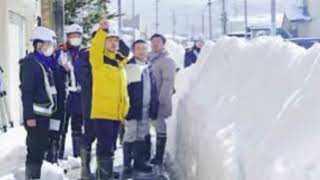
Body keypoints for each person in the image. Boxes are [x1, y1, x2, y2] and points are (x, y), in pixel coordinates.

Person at [89, 18, 130, 179]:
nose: (113, 43)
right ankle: (104, 177)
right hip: (103, 112)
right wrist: (102, 31)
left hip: (116, 113)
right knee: (105, 147)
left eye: (115, 40)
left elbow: (126, 51)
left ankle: (103, 175)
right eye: (110, 40)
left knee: (110, 147)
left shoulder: (119, 63)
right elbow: (95, 48)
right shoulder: (98, 61)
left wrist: (117, 34)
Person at [20, 26, 57, 179]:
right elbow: (27, 92)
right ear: (39, 45)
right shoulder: (30, 64)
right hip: (35, 117)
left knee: (40, 149)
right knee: (34, 152)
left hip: (44, 115)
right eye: (49, 44)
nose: (51, 48)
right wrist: (29, 117)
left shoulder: (43, 63)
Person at [122, 40, 159, 177]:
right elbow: (124, 88)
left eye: (144, 48)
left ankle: (139, 162)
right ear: (133, 50)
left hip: (146, 107)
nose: (141, 51)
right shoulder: (128, 66)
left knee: (142, 135)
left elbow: (153, 88)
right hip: (132, 107)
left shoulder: (149, 66)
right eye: (138, 48)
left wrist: (154, 107)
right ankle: (127, 164)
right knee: (130, 134)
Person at [148, 33, 176, 166]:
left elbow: (168, 82)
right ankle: (145, 155)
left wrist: (161, 101)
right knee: (145, 128)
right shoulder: (148, 57)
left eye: (158, 41)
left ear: (163, 44)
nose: (155, 43)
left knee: (160, 127)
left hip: (158, 100)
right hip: (146, 100)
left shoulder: (167, 60)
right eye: (153, 41)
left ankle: (159, 157)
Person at [58, 24, 85, 159]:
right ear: (68, 37)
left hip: (79, 96)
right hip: (64, 96)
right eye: (72, 36)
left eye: (78, 36)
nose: (75, 38)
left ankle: (78, 156)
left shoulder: (85, 53)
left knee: (77, 128)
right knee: (61, 128)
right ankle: (58, 156)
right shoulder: (61, 52)